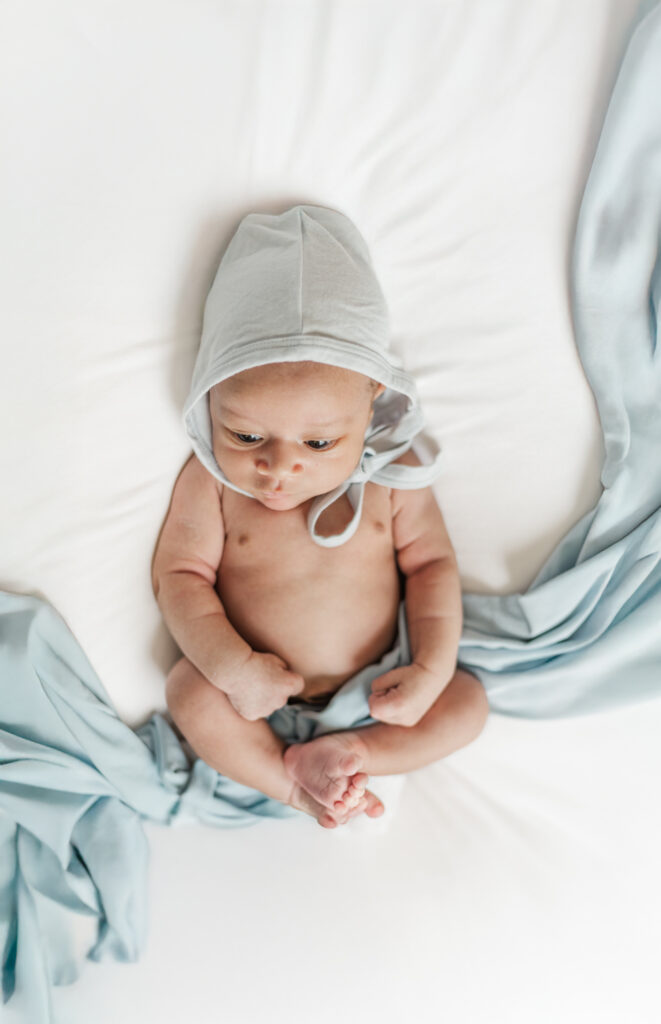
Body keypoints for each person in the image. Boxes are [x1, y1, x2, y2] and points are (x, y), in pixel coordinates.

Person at [152, 204, 489, 829]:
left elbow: (431, 564)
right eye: (246, 435)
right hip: (252, 698)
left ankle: (357, 753)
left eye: (317, 445)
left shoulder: (394, 469)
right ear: (211, 398)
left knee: (467, 703)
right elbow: (179, 576)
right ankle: (292, 783)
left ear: (371, 410)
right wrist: (232, 667)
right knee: (188, 693)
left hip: (382, 691)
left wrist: (430, 668)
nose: (278, 470)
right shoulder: (210, 481)